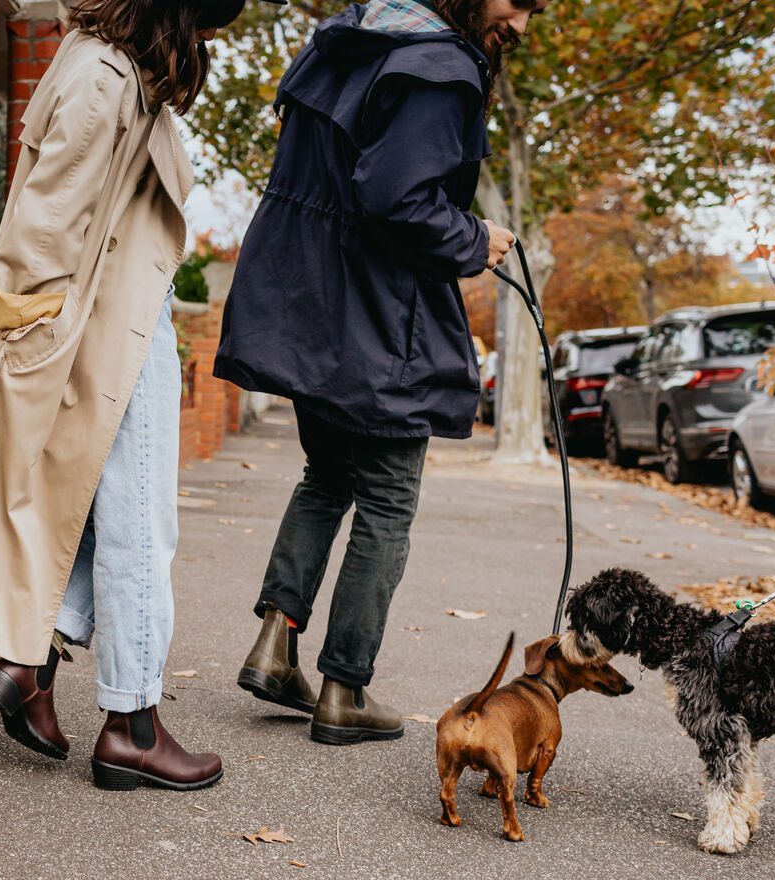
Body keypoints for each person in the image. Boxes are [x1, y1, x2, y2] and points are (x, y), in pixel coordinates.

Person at [0, 0, 280, 791]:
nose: (204, 41)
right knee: (137, 525)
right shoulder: (104, 75)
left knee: (98, 508)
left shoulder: (113, 65)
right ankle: (132, 724)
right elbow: (44, 224)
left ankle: (30, 661)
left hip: (114, 316)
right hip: (102, 326)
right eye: (204, 20)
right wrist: (28, 336)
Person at [216, 0, 548, 746]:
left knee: (326, 477)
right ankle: (344, 687)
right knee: (388, 501)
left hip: (310, 307)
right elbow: (395, 201)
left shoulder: (350, 40)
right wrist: (474, 237)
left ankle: (275, 646)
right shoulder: (438, 65)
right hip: (375, 319)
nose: (521, 24)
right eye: (518, 2)